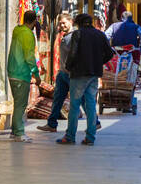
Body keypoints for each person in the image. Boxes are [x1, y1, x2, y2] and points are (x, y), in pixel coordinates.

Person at [58, 12, 112, 145]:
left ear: (79, 23)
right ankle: (90, 137)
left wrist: (69, 66)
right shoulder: (100, 34)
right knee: (91, 105)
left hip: (79, 73)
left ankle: (70, 136)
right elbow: (110, 53)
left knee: (75, 105)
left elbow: (73, 53)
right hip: (94, 74)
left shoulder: (78, 34)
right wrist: (98, 62)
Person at [6, 10, 42, 141]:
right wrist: (36, 74)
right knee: (21, 105)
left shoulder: (17, 30)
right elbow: (29, 57)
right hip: (21, 73)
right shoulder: (28, 35)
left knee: (18, 103)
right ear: (34, 22)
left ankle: (14, 131)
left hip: (12, 71)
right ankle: (19, 133)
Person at [36, 13, 74, 133]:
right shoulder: (63, 36)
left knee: (81, 100)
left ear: (70, 22)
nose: (62, 25)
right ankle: (52, 124)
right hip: (62, 74)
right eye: (60, 23)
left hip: (72, 75)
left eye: (64, 23)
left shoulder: (74, 37)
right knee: (57, 99)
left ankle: (95, 122)